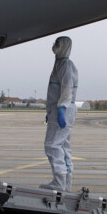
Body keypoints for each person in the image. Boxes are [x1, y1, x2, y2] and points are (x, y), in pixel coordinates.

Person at [40, 36, 79, 191]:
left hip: (62, 109)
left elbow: (67, 89)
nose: (54, 45)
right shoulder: (60, 64)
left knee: (52, 145)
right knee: (63, 145)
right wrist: (50, 112)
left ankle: (59, 181)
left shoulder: (65, 65)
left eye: (58, 43)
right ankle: (66, 182)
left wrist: (61, 109)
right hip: (58, 109)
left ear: (64, 46)